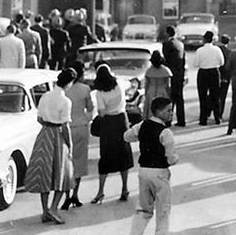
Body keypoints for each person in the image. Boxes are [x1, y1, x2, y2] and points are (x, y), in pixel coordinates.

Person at [24, 67, 77, 225]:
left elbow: (39, 118)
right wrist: (70, 145)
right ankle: (54, 208)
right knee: (62, 173)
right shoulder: (66, 101)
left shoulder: (45, 96)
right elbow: (66, 126)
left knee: (45, 173)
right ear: (69, 83)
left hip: (45, 134)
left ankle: (45, 210)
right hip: (57, 135)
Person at [124, 97, 179, 235]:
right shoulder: (165, 132)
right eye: (168, 110)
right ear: (159, 112)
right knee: (163, 210)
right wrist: (174, 159)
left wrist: (142, 138)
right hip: (160, 173)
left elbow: (127, 136)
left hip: (144, 171)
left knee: (143, 209)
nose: (171, 113)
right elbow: (171, 158)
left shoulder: (142, 125)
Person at [91, 63, 134, 204]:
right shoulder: (119, 85)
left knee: (105, 156)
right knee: (123, 153)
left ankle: (101, 191)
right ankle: (125, 188)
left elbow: (101, 112)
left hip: (108, 123)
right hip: (122, 120)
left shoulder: (99, 93)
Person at [61, 60, 93, 210]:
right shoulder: (85, 89)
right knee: (79, 162)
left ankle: (66, 196)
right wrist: (86, 119)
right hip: (80, 126)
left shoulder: (63, 90)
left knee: (66, 162)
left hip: (65, 127)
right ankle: (75, 194)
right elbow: (90, 108)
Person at [193, 30, 225, 125]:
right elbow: (222, 62)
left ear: (204, 39)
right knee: (215, 96)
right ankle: (217, 117)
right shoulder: (217, 49)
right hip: (214, 72)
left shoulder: (200, 50)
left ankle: (203, 119)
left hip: (203, 72)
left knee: (202, 96)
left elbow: (195, 64)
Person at [162, 25, 187, 126]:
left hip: (171, 73)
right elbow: (184, 58)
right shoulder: (180, 44)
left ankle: (168, 120)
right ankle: (181, 120)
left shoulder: (167, 44)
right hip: (180, 72)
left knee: (170, 97)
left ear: (167, 33)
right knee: (179, 97)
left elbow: (166, 58)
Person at [143, 51, 172, 120]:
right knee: (162, 108)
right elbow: (168, 85)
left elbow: (147, 84)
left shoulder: (149, 71)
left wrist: (146, 93)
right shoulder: (165, 70)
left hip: (151, 91)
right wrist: (169, 96)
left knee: (151, 109)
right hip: (162, 91)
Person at [217, 34, 232, 119]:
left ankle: (210, 111)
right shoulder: (229, 52)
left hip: (216, 74)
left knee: (215, 94)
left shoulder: (217, 49)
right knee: (223, 96)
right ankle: (220, 114)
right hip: (225, 76)